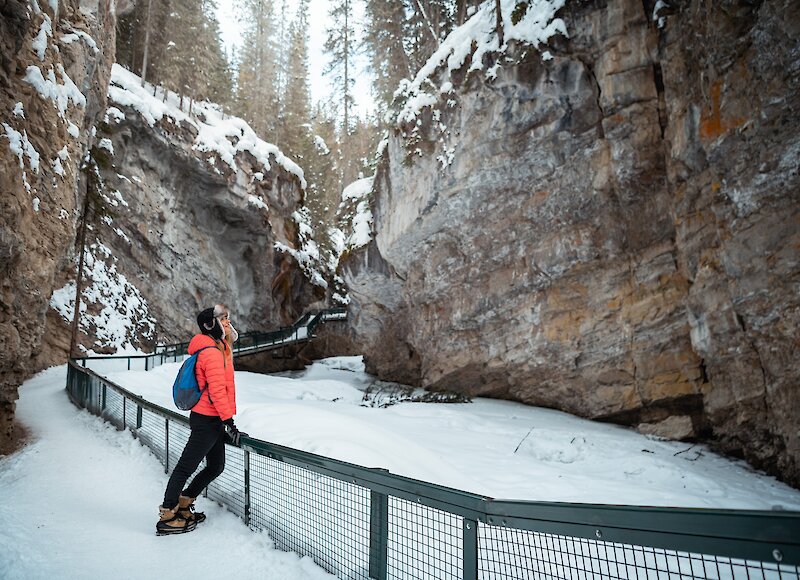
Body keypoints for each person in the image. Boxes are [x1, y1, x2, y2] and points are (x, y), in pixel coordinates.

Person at [156, 307, 246, 536]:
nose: (227, 323)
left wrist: (224, 421)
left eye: (228, 319)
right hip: (206, 419)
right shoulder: (211, 353)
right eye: (223, 320)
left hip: (212, 419)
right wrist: (230, 422)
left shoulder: (218, 348)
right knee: (185, 466)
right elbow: (217, 391)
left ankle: (184, 503)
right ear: (210, 324)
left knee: (216, 466)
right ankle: (167, 514)